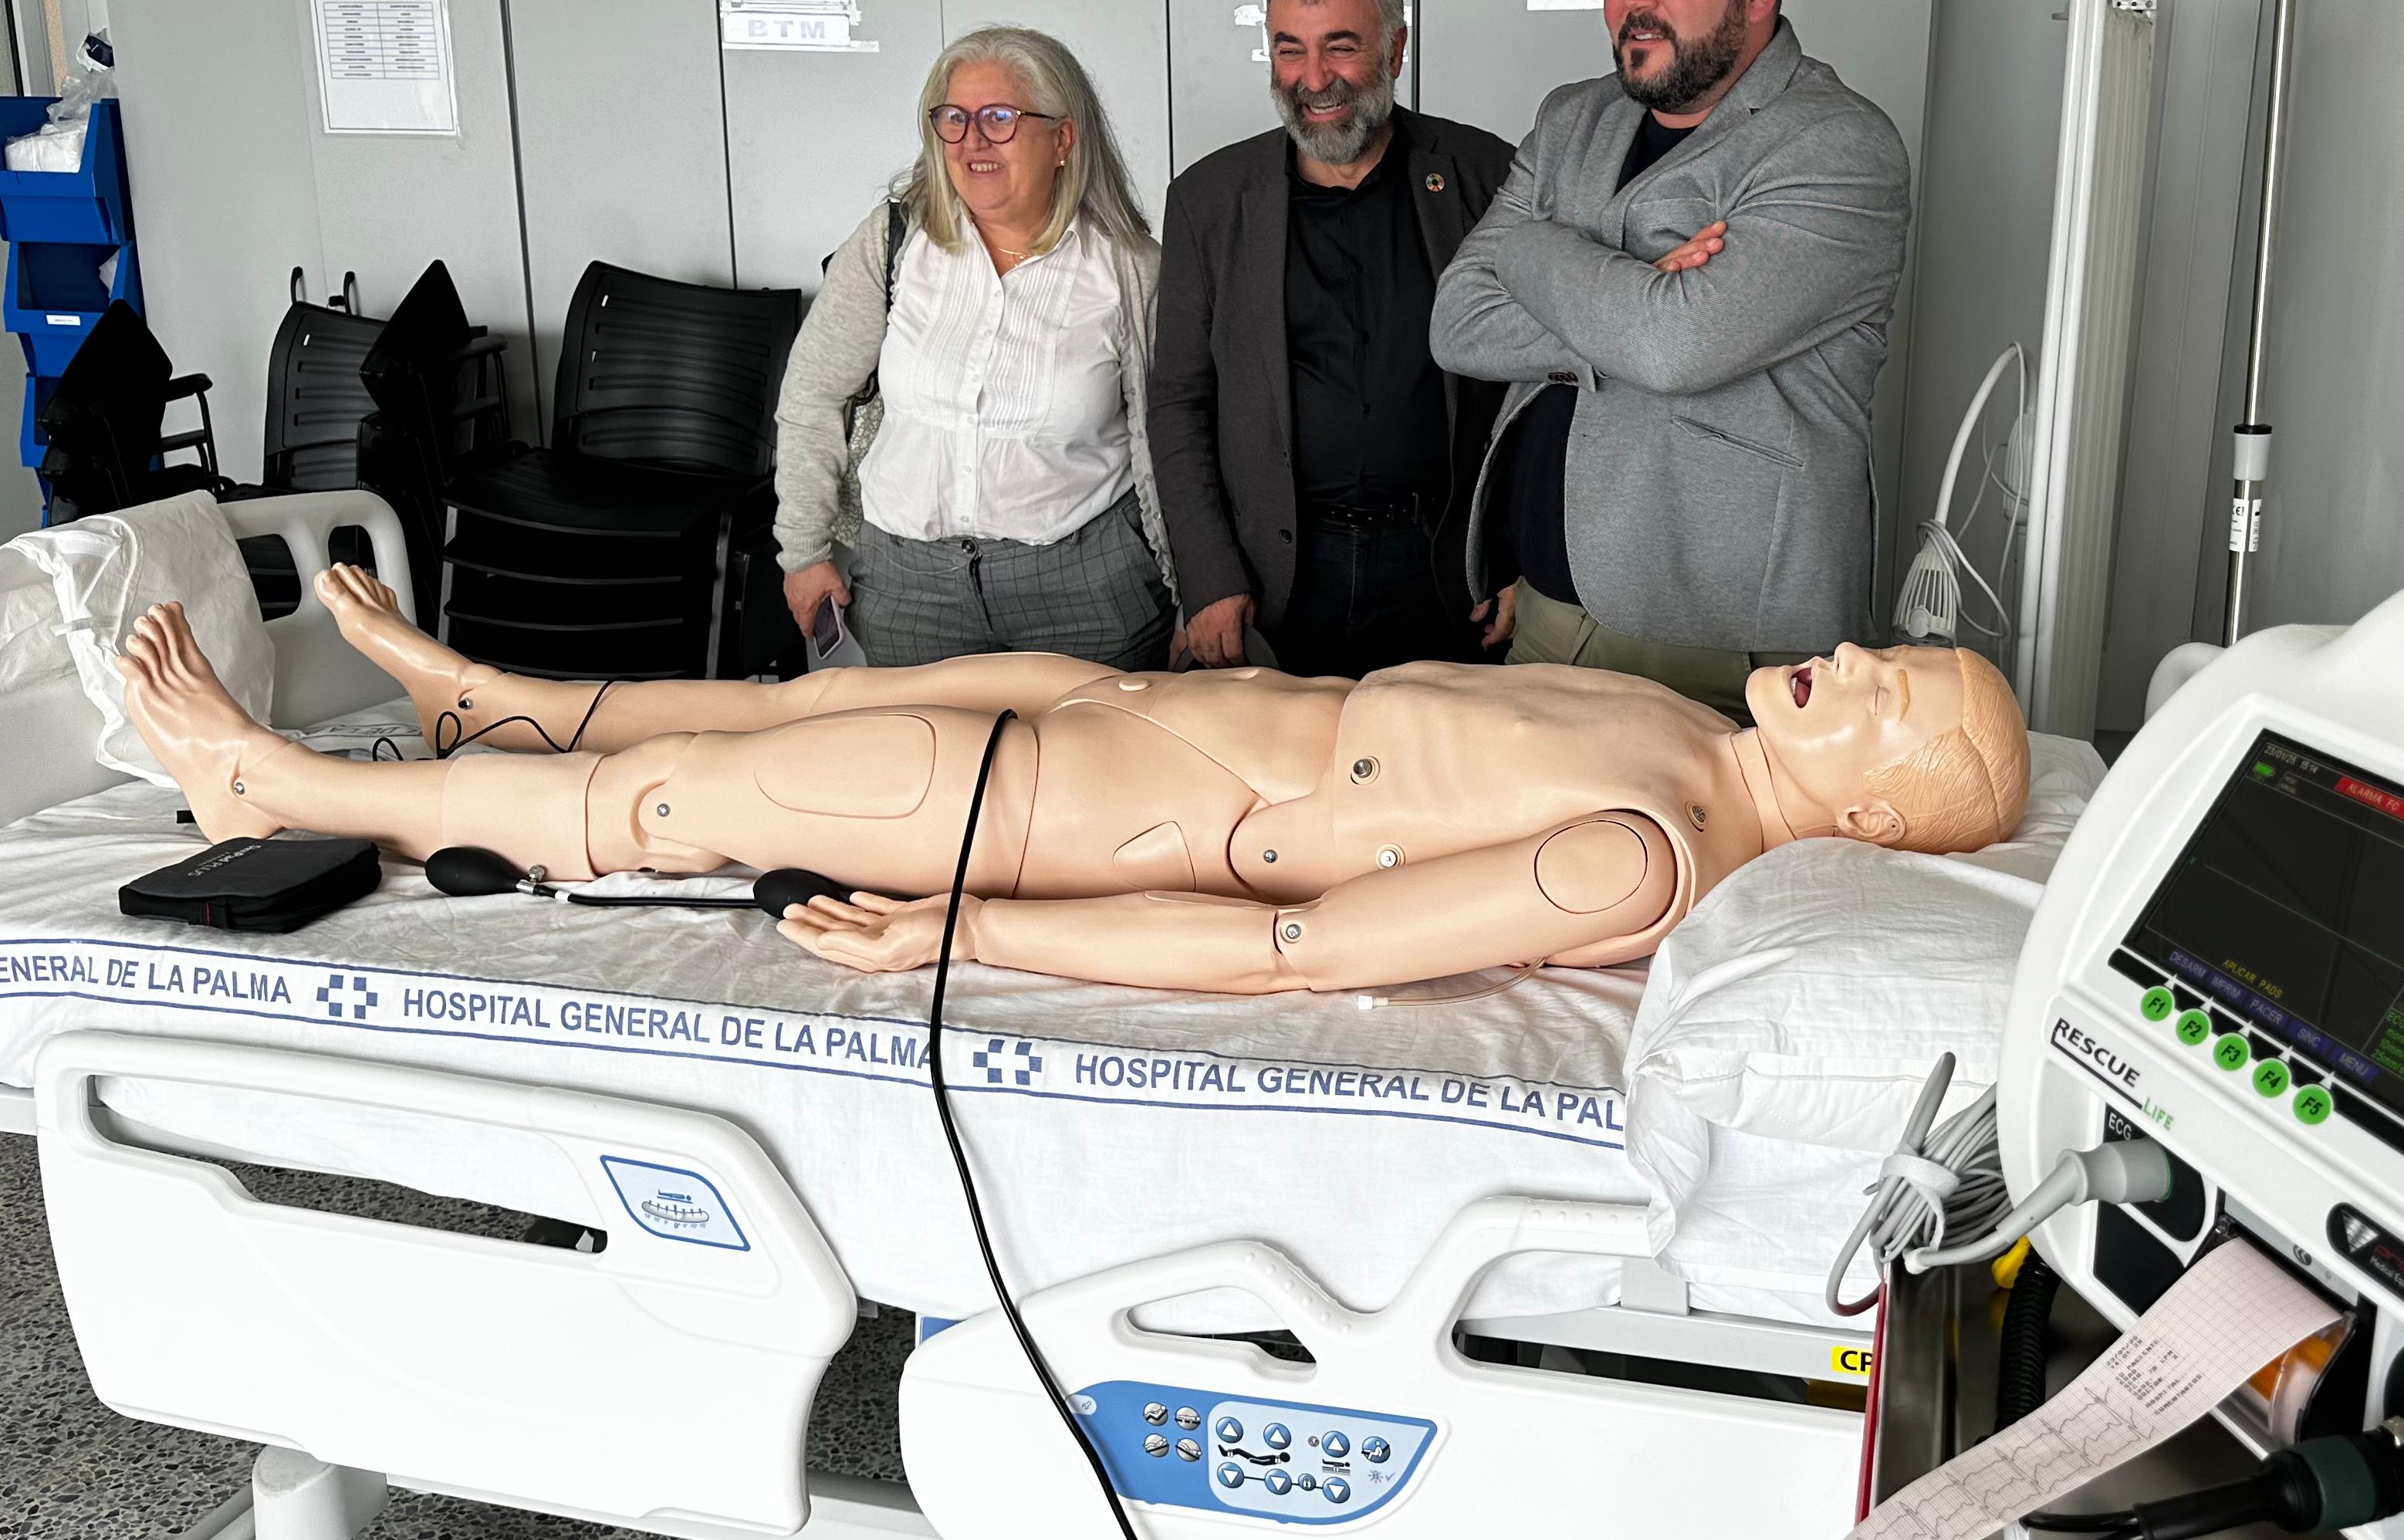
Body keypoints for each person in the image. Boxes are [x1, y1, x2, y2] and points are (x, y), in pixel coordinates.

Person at [114, 565, 2028, 997]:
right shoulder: (1694, 728)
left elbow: (1295, 943)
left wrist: (967, 929)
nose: (1855, 667)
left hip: (1094, 818)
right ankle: (482, 695)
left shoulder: (1645, 853)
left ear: (1862, 819)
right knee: (785, 709)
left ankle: (280, 788)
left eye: (1889, 705)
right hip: (1129, 703)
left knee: (683, 805)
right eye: (1891, 652)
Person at [1431, 0, 1912, 720]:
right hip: (1546, 612)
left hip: (1725, 652)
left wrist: (1533, 251)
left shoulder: (1838, 148)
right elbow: (1456, 322)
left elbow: (1675, 345)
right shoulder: (1572, 117)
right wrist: (1638, 292)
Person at [1149, 0, 1516, 679]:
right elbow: (1178, 401)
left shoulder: (1485, 176)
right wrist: (1210, 577)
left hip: (1446, 573)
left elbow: (1535, 386)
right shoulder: (1208, 202)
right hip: (1274, 583)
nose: (1314, 78)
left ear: (1395, 49)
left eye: (1340, 46)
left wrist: (1515, 553)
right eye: (1290, 49)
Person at [771, 26, 1175, 672]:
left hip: (1088, 594)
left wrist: (1189, 590)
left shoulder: (1130, 270)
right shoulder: (894, 241)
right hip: (909, 592)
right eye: (954, 119)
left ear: (1063, 138)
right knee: (928, 771)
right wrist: (803, 550)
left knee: (1084, 772)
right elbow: (814, 392)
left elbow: (1171, 443)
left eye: (1001, 118)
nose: (973, 140)